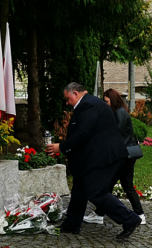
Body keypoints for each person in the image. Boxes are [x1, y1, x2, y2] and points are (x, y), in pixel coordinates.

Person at [46, 83, 141, 239]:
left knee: (95, 192)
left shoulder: (89, 105)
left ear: (75, 94)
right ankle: (71, 224)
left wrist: (61, 147)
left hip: (104, 157)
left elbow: (84, 133)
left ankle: (130, 219)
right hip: (96, 156)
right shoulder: (89, 103)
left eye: (67, 99)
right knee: (79, 188)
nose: (67, 103)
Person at [83, 89, 146, 226]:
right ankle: (139, 213)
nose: (105, 104)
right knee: (127, 185)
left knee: (108, 185)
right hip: (127, 154)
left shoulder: (119, 113)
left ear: (112, 100)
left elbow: (114, 134)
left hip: (122, 155)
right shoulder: (120, 112)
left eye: (106, 101)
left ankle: (101, 214)